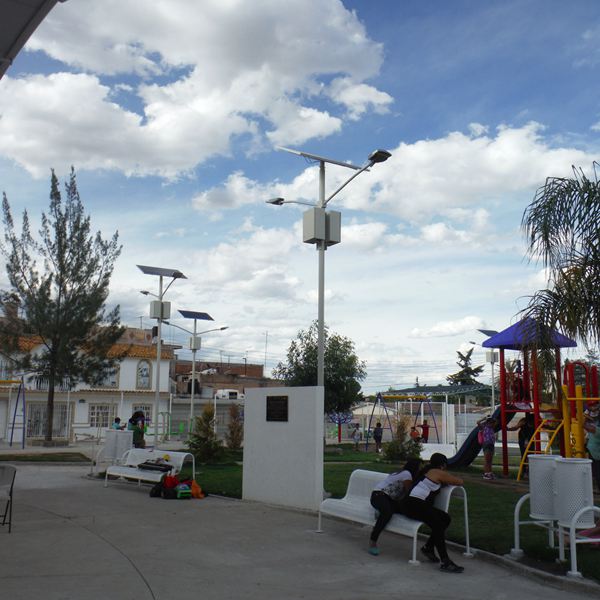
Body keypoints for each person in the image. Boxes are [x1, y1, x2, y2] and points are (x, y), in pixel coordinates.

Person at [401, 453, 465, 573]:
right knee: (438, 524)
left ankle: (428, 547)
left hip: (412, 504)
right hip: (415, 505)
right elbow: (459, 481)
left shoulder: (428, 471)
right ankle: (445, 561)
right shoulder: (437, 472)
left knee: (445, 518)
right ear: (443, 465)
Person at [368, 458, 421, 555]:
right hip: (379, 496)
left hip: (386, 498)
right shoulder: (407, 474)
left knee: (397, 510)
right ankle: (373, 541)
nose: (419, 470)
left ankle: (380, 509)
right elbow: (408, 492)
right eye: (418, 468)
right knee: (387, 513)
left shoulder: (400, 473)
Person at [584, 412, 600, 492]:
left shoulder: (597, 430)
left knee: (597, 472)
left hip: (596, 454)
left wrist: (582, 417)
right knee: (595, 471)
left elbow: (588, 427)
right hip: (593, 452)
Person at [477, 415, 497, 480]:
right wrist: (484, 418)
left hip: (491, 445)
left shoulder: (492, 429)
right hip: (487, 444)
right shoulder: (483, 428)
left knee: (490, 460)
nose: (493, 424)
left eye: (493, 423)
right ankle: (486, 473)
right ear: (488, 423)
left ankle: (490, 472)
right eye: (491, 423)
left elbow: (497, 422)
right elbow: (478, 422)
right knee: (487, 460)